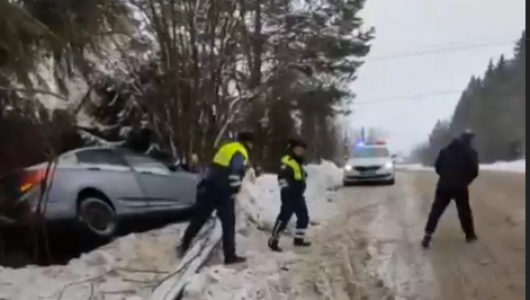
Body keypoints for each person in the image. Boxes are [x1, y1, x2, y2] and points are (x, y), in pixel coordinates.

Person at [177, 131, 254, 264]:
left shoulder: (226, 147)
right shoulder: (240, 151)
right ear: (248, 142)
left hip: (210, 186)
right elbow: (235, 170)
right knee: (228, 223)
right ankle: (230, 256)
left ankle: (184, 244)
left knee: (200, 218)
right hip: (224, 190)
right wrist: (235, 187)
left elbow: (213, 166)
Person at [421, 130, 479, 248]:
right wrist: (466, 180)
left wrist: (446, 176)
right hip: (460, 187)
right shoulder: (470, 152)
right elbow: (474, 171)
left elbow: (437, 167)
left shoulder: (444, 151)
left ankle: (428, 234)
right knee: (464, 211)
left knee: (436, 211)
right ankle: (470, 235)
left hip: (444, 186)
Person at [268, 138, 311, 252]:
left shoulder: (298, 162)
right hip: (289, 195)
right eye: (298, 150)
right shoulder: (287, 161)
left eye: (302, 150)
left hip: (298, 195)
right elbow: (282, 178)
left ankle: (299, 239)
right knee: (284, 218)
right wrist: (287, 191)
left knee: (303, 217)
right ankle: (273, 240)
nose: (300, 152)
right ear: (293, 150)